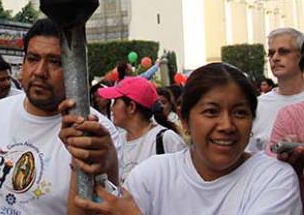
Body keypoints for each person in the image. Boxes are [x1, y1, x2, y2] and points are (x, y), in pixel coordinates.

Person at [70, 63, 303, 214]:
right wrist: (91, 161)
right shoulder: (152, 176)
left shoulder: (273, 178)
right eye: (211, 111)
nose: (226, 125)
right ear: (184, 120)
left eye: (239, 113)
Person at [0, 18, 122, 215]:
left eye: (55, 62)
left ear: (76, 68)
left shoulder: (96, 133)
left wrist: (105, 165)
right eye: (33, 59)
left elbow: (104, 207)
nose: (40, 72)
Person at [99, 76, 186, 182]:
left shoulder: (166, 139)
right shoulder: (117, 141)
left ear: (131, 107)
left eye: (116, 102)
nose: (112, 109)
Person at [248, 28, 304, 153]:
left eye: (283, 52)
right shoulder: (257, 105)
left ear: (300, 56)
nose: (275, 58)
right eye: (271, 53)